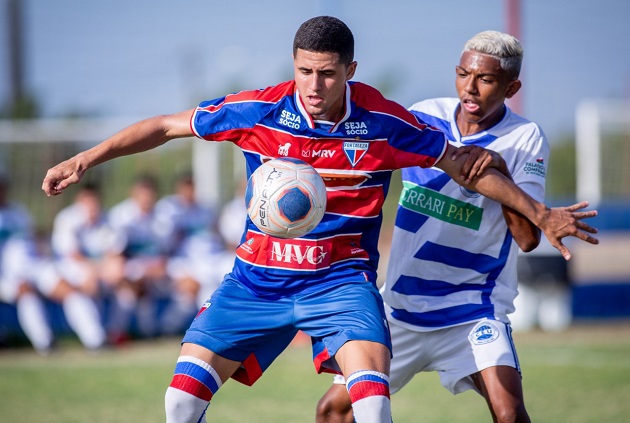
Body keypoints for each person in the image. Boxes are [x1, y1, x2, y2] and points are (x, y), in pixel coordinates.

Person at [41, 16, 598, 423]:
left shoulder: (383, 121)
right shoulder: (260, 110)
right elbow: (166, 126)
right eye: (304, 71)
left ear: (350, 71)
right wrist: (85, 158)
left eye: (327, 74)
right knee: (179, 401)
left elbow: (465, 166)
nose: (313, 85)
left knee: (372, 405)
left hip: (340, 283)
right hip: (256, 280)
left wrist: (539, 212)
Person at [315, 30, 555, 423]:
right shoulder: (426, 115)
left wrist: (499, 167)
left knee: (509, 414)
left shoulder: (524, 138)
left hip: (471, 308)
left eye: (486, 80)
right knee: (334, 411)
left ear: (512, 87)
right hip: (400, 305)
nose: (470, 88)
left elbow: (528, 239)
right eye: (463, 74)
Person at [0, 175, 106, 353]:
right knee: (26, 292)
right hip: (6, 275)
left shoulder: (18, 212)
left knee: (68, 289)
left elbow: (32, 240)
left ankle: (96, 340)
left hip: (35, 267)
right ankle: (45, 343)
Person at [107, 174, 171, 338]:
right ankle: (117, 332)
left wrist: (155, 267)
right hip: (127, 265)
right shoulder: (120, 215)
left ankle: (159, 331)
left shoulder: (163, 216)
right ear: (134, 194)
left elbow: (165, 253)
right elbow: (115, 255)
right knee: (127, 290)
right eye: (143, 193)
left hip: (154, 267)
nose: (146, 198)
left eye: (150, 194)